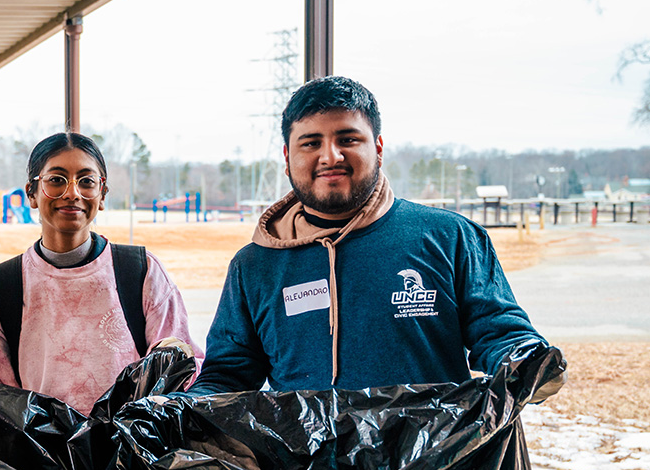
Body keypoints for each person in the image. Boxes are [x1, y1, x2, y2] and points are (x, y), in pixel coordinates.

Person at [189, 76, 564, 397]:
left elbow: (499, 332)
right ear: (287, 157)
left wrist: (528, 363)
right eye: (311, 142)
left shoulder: (450, 238)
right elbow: (229, 374)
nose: (330, 155)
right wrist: (176, 411)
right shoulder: (255, 264)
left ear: (378, 149)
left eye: (348, 139)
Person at [0, 132, 202, 416]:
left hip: (131, 451)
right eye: (56, 180)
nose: (72, 193)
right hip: (38, 455)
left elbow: (181, 368)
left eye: (87, 181)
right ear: (31, 193)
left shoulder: (141, 272)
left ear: (102, 196)